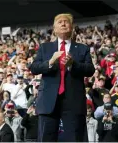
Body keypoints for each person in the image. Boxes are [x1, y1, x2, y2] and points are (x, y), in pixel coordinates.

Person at [30, 13, 95, 142]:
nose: (63, 23)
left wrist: (73, 64)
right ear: (54, 29)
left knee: (76, 138)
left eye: (66, 22)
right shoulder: (45, 47)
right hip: (48, 100)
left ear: (72, 27)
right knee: (46, 138)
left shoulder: (82, 48)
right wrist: (50, 61)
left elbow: (90, 70)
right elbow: (34, 68)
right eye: (60, 22)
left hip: (74, 101)